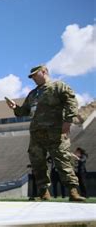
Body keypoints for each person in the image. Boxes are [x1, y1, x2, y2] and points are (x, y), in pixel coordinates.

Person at [5, 65, 85, 202]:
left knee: (63, 161)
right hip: (37, 134)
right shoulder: (33, 93)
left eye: (36, 75)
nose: (34, 78)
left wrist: (68, 121)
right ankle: (43, 193)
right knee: (38, 164)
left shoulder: (58, 86)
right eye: (32, 77)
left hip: (56, 132)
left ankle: (73, 192)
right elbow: (24, 111)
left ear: (44, 72)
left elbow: (71, 101)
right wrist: (15, 108)